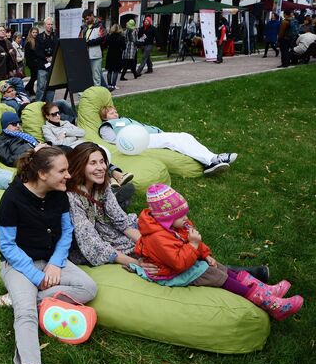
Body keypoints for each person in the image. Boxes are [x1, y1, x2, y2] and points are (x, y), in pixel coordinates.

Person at [0, 146, 97, 364]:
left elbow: (66, 233)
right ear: (42, 173)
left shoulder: (59, 194)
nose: (68, 176)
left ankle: (15, 299)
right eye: (62, 171)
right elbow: (7, 246)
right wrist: (37, 276)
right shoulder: (12, 198)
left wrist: (54, 263)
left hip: (51, 261)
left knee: (88, 287)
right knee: (26, 313)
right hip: (19, 264)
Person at [134, 184, 303, 321]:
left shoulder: (174, 225)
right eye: (181, 216)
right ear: (166, 218)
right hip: (170, 273)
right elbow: (178, 263)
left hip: (184, 260)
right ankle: (272, 305)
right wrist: (193, 245)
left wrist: (205, 254)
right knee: (215, 275)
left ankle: (265, 289)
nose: (186, 218)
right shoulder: (157, 238)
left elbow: (194, 242)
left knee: (222, 268)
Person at [65, 142, 145, 268]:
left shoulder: (102, 186)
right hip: (84, 244)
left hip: (106, 229)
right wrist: (135, 263)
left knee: (154, 236)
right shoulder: (71, 196)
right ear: (79, 165)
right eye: (93, 163)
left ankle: (121, 197)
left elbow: (121, 221)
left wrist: (148, 245)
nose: (101, 167)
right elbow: (89, 241)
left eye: (102, 162)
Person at [98, 105, 237, 175]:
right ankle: (212, 160)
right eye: (111, 113)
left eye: (115, 111)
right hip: (138, 141)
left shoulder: (123, 120)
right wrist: (131, 141)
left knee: (184, 136)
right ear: (104, 117)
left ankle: (212, 159)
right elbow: (114, 141)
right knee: (172, 140)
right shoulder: (107, 126)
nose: (115, 114)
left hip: (149, 136)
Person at [80, 9, 106, 86]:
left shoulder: (100, 25)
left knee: (96, 78)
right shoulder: (84, 27)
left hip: (96, 55)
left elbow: (103, 39)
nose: (86, 21)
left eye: (87, 19)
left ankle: (97, 95)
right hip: (86, 55)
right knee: (87, 77)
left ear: (92, 15)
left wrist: (89, 43)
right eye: (85, 19)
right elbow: (80, 38)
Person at [34, 17, 57, 102]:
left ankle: (49, 104)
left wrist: (52, 57)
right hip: (42, 65)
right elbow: (37, 50)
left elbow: (57, 48)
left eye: (51, 24)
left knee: (51, 86)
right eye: (48, 24)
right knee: (41, 87)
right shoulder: (39, 37)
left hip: (52, 66)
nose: (50, 26)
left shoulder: (55, 36)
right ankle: (38, 105)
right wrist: (46, 58)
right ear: (44, 25)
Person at [104, 24, 125, 90]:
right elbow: (124, 47)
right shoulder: (121, 37)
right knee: (115, 70)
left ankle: (109, 84)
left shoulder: (109, 36)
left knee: (109, 70)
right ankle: (113, 85)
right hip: (118, 54)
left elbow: (105, 45)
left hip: (110, 54)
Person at [24, 27, 41, 94]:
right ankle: (27, 88)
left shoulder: (37, 40)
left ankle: (30, 90)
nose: (35, 34)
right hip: (32, 63)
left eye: (36, 32)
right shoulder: (29, 42)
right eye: (33, 32)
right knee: (34, 77)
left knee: (34, 77)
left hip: (36, 62)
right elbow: (27, 55)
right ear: (30, 33)